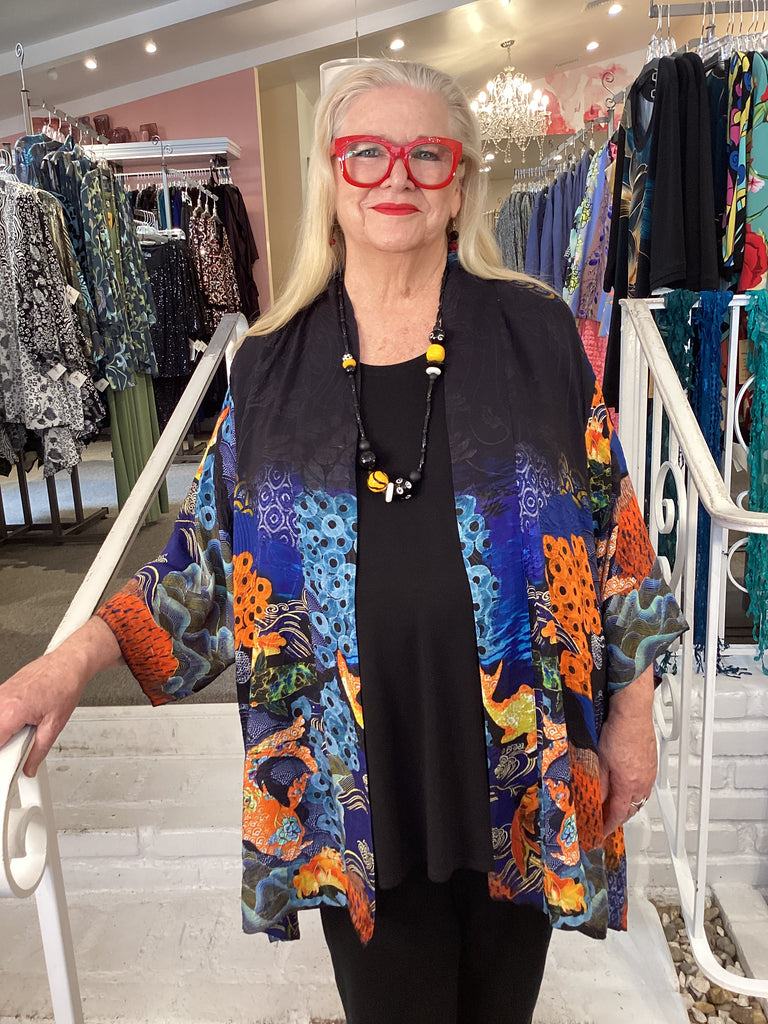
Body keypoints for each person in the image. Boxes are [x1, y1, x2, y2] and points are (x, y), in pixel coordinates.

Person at [0, 60, 686, 1024]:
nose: (396, 175)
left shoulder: (535, 335)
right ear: (331, 176)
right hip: (355, 781)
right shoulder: (270, 368)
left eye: (426, 153)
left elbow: (616, 536)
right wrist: (67, 663)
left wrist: (632, 717)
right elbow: (203, 566)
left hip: (519, 770)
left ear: (459, 185)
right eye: (366, 152)